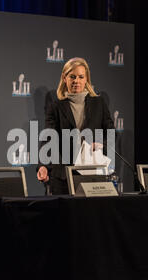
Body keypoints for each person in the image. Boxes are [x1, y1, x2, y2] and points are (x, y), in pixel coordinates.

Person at [37, 57, 115, 194]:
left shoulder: (99, 104)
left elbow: (111, 133)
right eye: (72, 77)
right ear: (64, 78)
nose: (76, 81)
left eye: (81, 77)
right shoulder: (55, 107)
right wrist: (43, 165)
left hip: (93, 173)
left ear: (86, 79)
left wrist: (102, 144)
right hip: (63, 177)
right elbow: (48, 138)